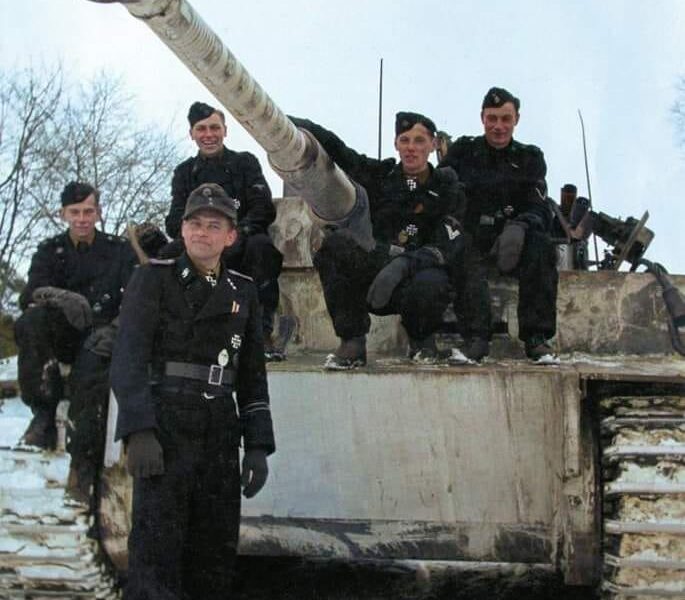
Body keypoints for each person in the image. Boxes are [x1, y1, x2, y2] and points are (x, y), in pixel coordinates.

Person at [111, 183, 275, 600]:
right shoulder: (152, 280)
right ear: (182, 231)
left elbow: (253, 375)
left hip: (219, 429)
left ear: (231, 236)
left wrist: (256, 445)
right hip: (166, 426)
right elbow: (128, 359)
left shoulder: (243, 291)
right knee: (156, 549)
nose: (203, 232)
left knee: (214, 548)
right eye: (195, 224)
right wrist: (138, 430)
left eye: (214, 225)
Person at [289, 111, 468, 368]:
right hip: (377, 276)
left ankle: (422, 342)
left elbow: (448, 245)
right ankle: (352, 342)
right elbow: (340, 152)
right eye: (404, 140)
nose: (411, 148)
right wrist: (296, 123)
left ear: (432, 144)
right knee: (334, 246)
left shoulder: (446, 186)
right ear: (396, 144)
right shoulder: (382, 176)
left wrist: (405, 264)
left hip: (419, 278)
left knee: (434, 280)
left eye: (419, 141)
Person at [15, 181, 136, 453]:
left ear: (99, 213)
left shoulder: (119, 250)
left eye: (88, 211)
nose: (82, 219)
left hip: (104, 336)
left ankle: (83, 438)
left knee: (96, 361)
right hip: (64, 335)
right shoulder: (50, 250)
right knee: (30, 323)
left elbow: (136, 297)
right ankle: (42, 416)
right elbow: (30, 294)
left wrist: (116, 327)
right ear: (63, 214)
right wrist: (59, 297)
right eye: (75, 212)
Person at [439, 87, 559, 363]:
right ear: (482, 118)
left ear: (516, 119)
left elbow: (539, 206)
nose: (498, 126)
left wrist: (521, 226)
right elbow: (442, 190)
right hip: (471, 236)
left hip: (512, 240)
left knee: (541, 246)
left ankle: (537, 338)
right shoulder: (464, 152)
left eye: (506, 119)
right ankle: (477, 339)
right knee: (463, 251)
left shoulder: (530, 158)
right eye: (492, 118)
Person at [165, 101, 284, 360]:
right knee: (168, 254)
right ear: (192, 134)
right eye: (201, 129)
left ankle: (261, 334)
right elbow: (175, 220)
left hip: (241, 244)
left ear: (225, 130)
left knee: (261, 247)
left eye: (214, 127)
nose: (209, 135)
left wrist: (237, 235)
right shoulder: (184, 173)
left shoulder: (245, 163)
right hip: (200, 249)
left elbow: (263, 207)